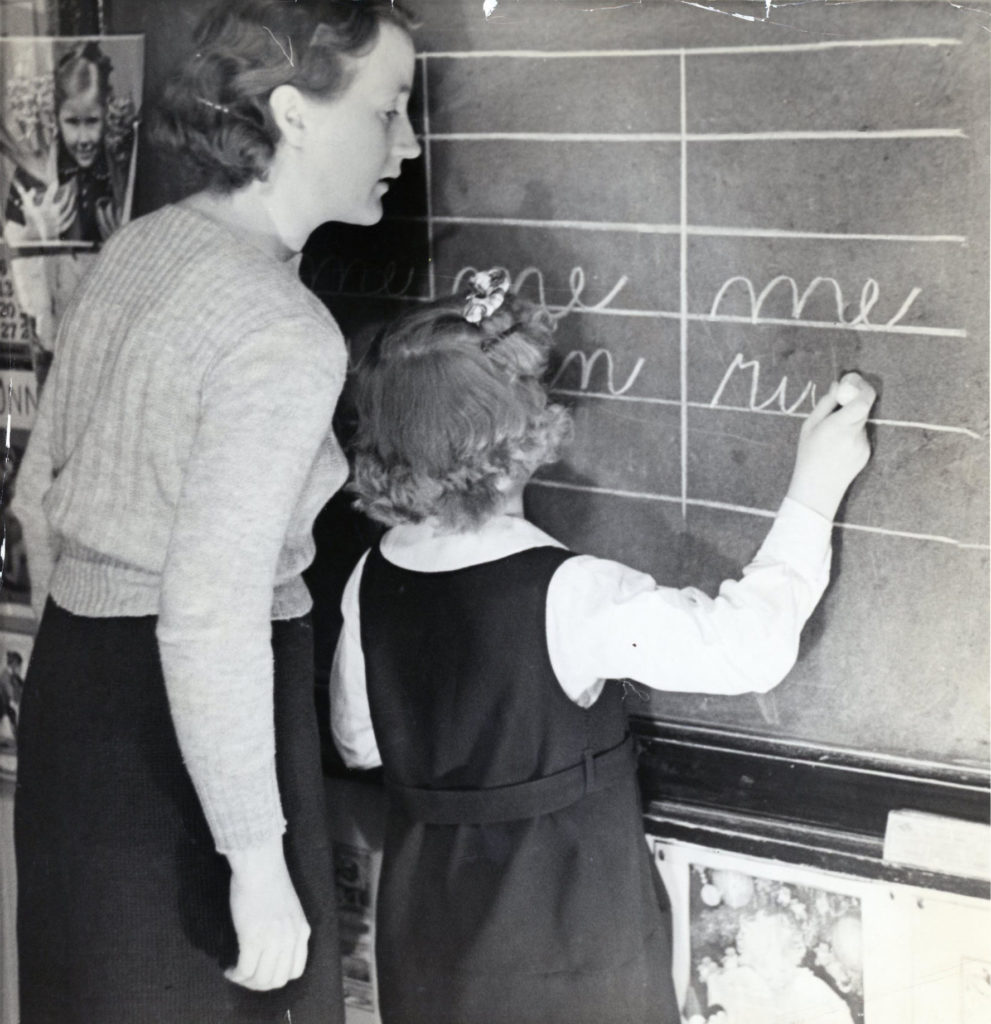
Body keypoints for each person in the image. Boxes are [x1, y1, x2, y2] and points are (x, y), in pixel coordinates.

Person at [11, 2, 420, 1022]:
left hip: (77, 704)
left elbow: (32, 499)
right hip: (200, 731)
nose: (407, 146)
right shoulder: (281, 327)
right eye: (389, 110)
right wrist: (254, 855)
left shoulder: (140, 248)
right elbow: (204, 613)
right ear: (293, 113)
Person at [330, 270, 876, 1024]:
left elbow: (359, 744)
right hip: (564, 931)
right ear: (520, 437)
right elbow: (750, 648)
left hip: (430, 932)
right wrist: (814, 488)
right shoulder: (571, 592)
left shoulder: (370, 576)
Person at [4, 41, 126, 246]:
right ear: (56, 118)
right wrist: (32, 232)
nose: (83, 138)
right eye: (72, 122)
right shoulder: (32, 174)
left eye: (92, 121)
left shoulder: (117, 173)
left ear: (106, 113)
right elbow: (7, 242)